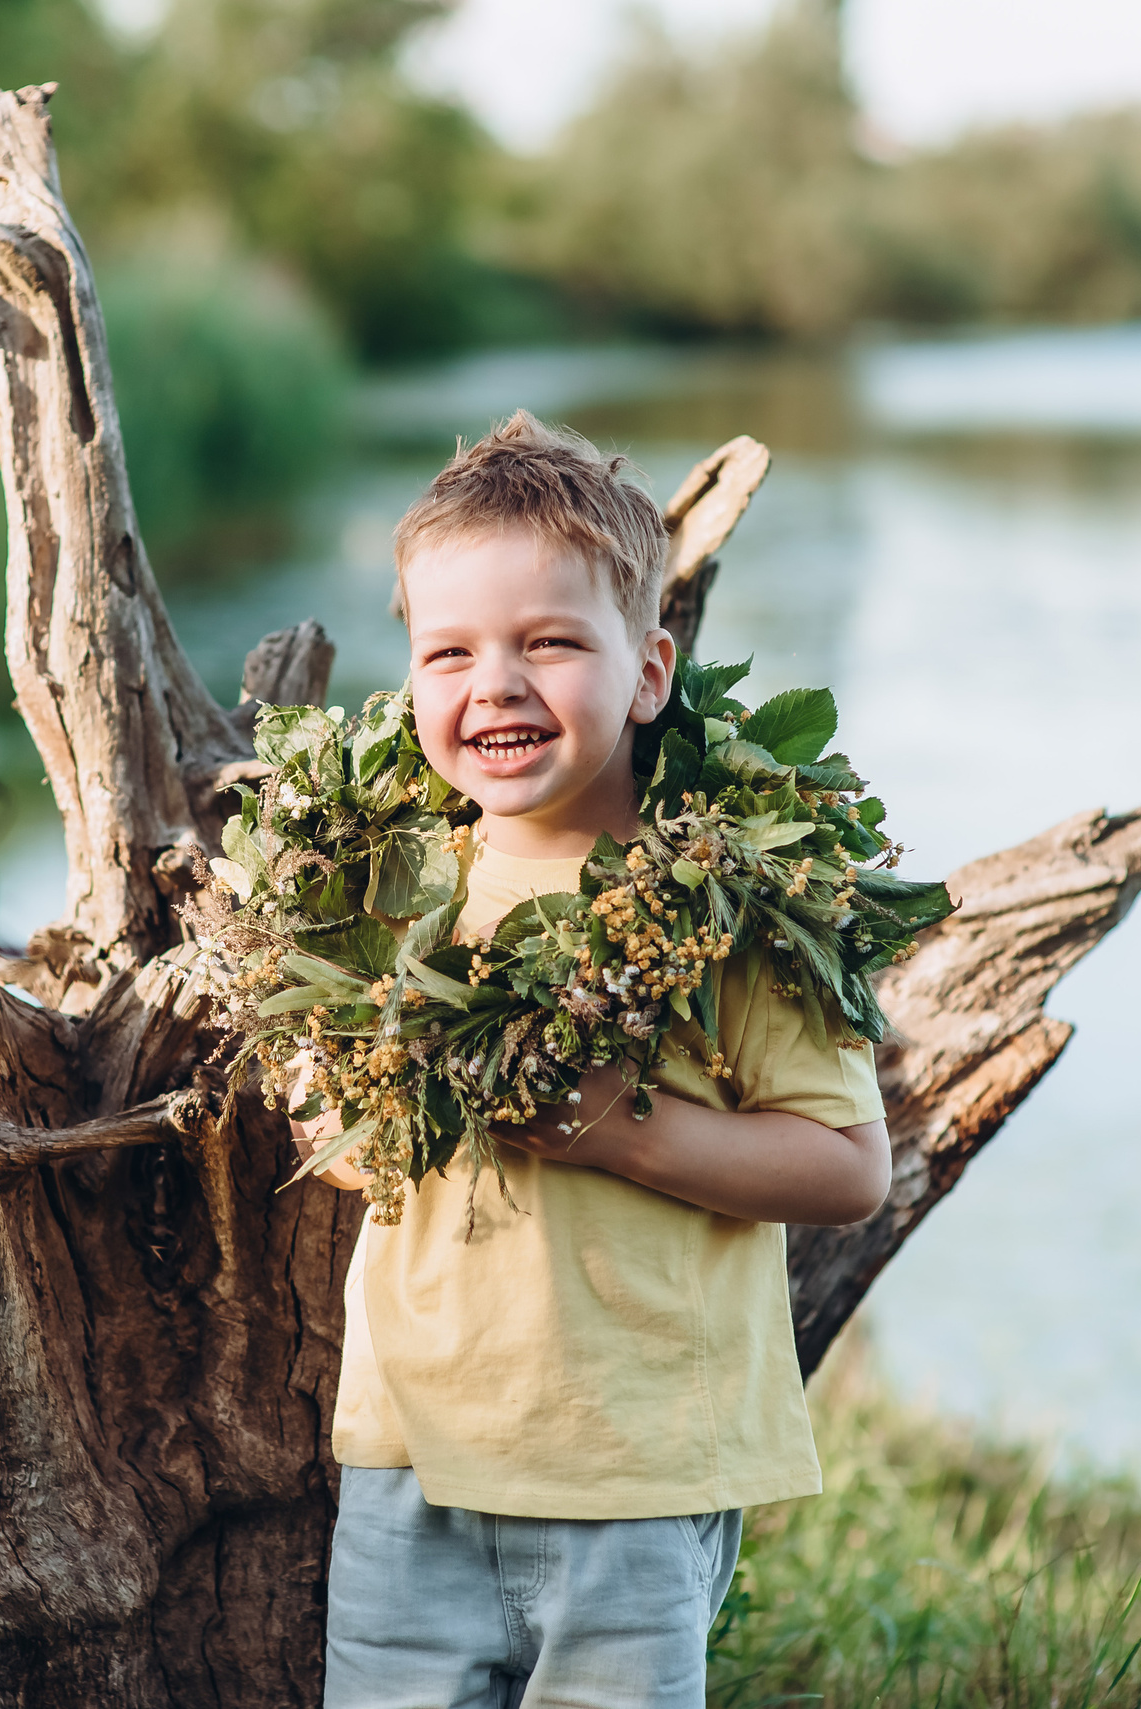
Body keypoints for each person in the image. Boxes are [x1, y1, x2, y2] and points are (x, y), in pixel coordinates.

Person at [313, 412, 894, 1709]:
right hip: (413, 1451)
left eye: (551, 642)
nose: (496, 686)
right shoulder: (398, 897)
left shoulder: (720, 896)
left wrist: (621, 1131)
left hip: (634, 1469)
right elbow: (375, 1154)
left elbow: (850, 1166)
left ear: (647, 671)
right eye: (448, 651)